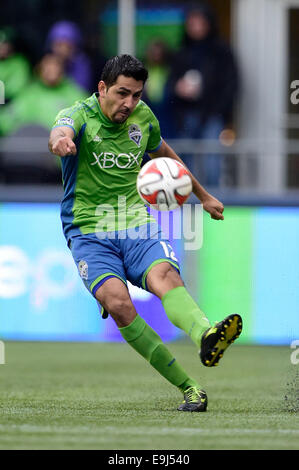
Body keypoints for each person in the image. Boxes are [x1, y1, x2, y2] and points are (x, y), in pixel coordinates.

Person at [48, 55, 242, 412]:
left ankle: (206, 335)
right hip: (88, 230)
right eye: (123, 94)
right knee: (118, 303)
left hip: (136, 222)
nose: (129, 103)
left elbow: (164, 153)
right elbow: (60, 131)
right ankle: (189, 387)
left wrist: (203, 196)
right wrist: (60, 141)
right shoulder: (78, 114)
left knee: (165, 275)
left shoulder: (142, 118)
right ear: (102, 88)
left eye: (136, 95)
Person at [168, 3, 239, 186]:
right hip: (186, 114)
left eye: (200, 22)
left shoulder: (220, 51)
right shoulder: (182, 52)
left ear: (208, 24)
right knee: (185, 164)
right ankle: (188, 200)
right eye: (192, 23)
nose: (196, 27)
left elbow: (231, 84)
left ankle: (214, 201)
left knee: (212, 162)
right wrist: (178, 88)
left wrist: (220, 110)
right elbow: (170, 83)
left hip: (212, 114)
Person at [0, 53, 87, 136]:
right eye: (48, 67)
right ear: (40, 70)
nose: (52, 70)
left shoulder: (73, 93)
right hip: (34, 147)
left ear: (62, 70)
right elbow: (7, 120)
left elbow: (89, 118)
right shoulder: (29, 94)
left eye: (55, 66)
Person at [46, 21, 92, 92]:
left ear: (75, 47)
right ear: (51, 46)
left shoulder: (81, 65)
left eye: (68, 46)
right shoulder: (46, 63)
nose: (63, 50)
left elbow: (80, 91)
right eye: (59, 45)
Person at [0, 27, 31, 103]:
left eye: (5, 44)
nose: (2, 47)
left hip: (12, 103)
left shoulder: (19, 63)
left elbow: (16, 88)